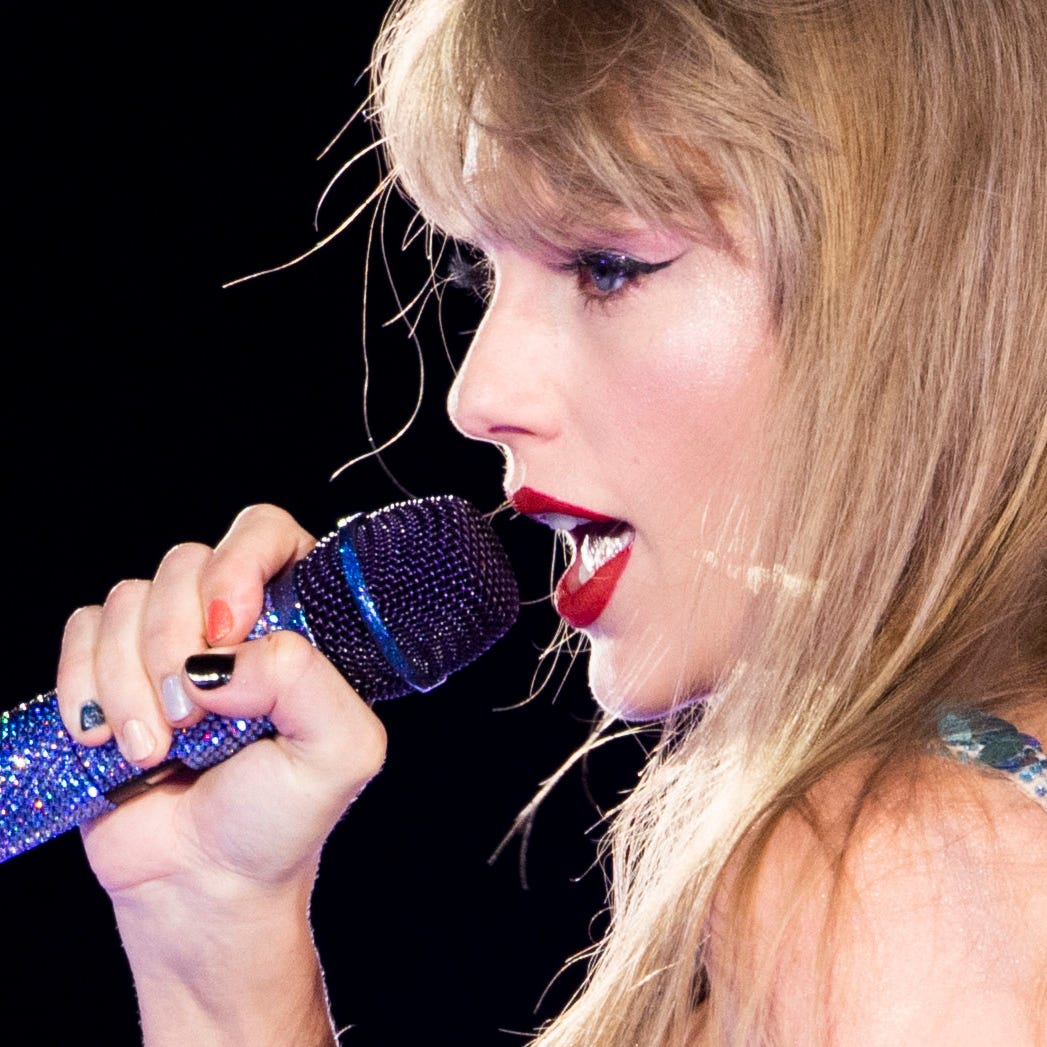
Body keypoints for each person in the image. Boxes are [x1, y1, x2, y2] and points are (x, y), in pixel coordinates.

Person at [50, 0, 1045, 1042]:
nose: (476, 396)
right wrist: (211, 937)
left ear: (924, 290)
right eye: (481, 273)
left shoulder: (911, 878)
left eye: (607, 265)